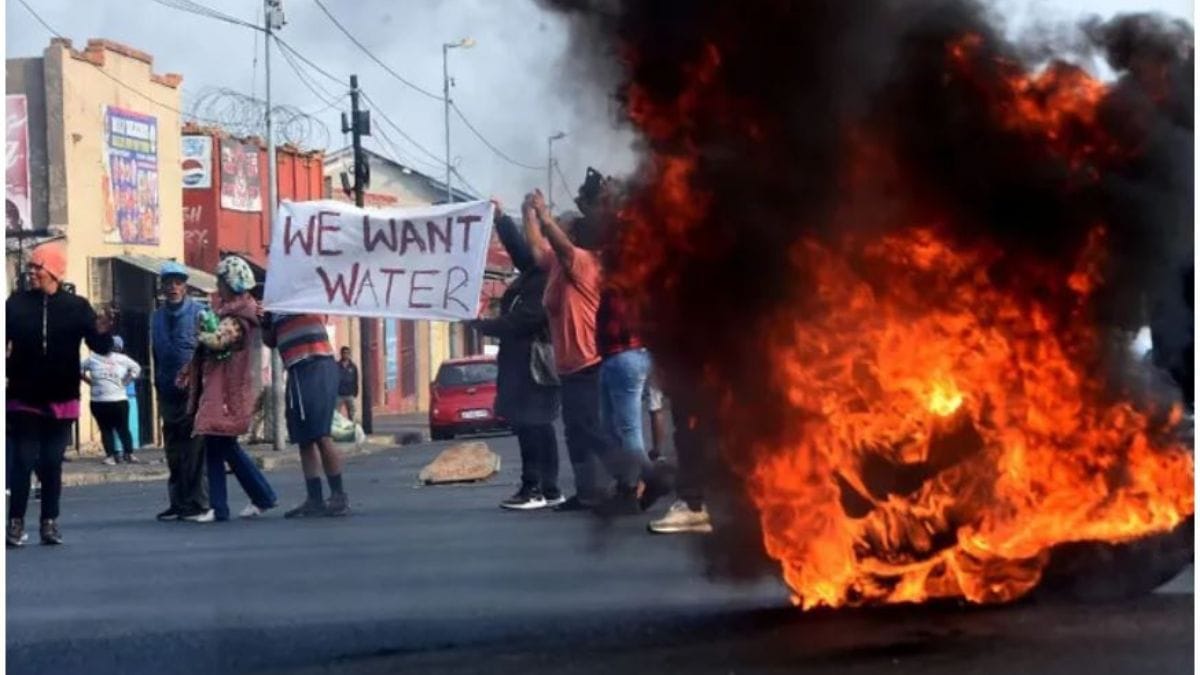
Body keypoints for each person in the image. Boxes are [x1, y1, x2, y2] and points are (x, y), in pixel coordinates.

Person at [7, 241, 113, 547]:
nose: (31, 273)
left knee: (52, 461)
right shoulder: (15, 304)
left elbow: (101, 348)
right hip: (23, 396)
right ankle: (15, 524)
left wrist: (103, 331)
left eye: (36, 268)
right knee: (23, 460)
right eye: (29, 268)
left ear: (53, 271)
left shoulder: (76, 307)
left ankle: (49, 522)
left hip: (62, 397)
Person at [523, 173, 616, 512]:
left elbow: (559, 245)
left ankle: (633, 478)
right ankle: (586, 491)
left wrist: (545, 216)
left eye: (561, 229)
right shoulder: (557, 267)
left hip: (588, 362)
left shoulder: (583, 262)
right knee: (575, 433)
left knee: (590, 430)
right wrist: (528, 217)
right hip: (568, 364)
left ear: (573, 235)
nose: (552, 237)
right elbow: (536, 251)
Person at [469, 199, 563, 510]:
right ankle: (548, 488)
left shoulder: (547, 276)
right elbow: (519, 249)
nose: (531, 244)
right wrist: (501, 218)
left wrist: (484, 326)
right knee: (536, 424)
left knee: (531, 424)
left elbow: (525, 320)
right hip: (525, 361)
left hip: (532, 363)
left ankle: (532, 487)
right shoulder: (536, 270)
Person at [182, 255, 277, 522]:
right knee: (218, 446)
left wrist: (201, 330)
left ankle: (258, 496)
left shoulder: (238, 316)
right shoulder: (235, 311)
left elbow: (218, 341)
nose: (218, 286)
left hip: (227, 389)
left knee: (223, 445)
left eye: (220, 281)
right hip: (223, 387)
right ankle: (228, 504)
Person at [262, 312, 350, 518]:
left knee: (321, 434)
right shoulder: (272, 305)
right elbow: (271, 341)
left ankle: (338, 495)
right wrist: (265, 321)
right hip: (295, 370)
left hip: (317, 364)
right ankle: (315, 498)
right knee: (304, 438)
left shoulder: (303, 292)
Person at [151, 261, 210, 522]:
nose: (173, 287)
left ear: (185, 285)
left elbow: (212, 350)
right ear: (162, 287)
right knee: (173, 450)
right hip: (167, 390)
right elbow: (155, 354)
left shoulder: (200, 313)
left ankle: (197, 502)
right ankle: (178, 502)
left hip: (194, 391)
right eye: (168, 282)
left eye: (178, 282)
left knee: (195, 450)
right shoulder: (156, 317)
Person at [81, 335, 142, 465]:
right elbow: (79, 369)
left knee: (121, 428)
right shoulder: (93, 359)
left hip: (116, 399)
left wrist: (126, 381)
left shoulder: (121, 359)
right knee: (107, 428)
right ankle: (112, 455)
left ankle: (127, 454)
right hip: (100, 400)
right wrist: (90, 382)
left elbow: (136, 368)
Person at [337, 347, 359, 422]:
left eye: (347, 353)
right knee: (336, 414)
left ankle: (352, 429)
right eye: (344, 353)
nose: (346, 355)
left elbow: (356, 379)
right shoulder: (336, 365)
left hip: (350, 393)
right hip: (339, 394)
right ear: (341, 354)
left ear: (350, 354)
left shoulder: (353, 366)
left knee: (352, 413)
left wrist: (356, 391)